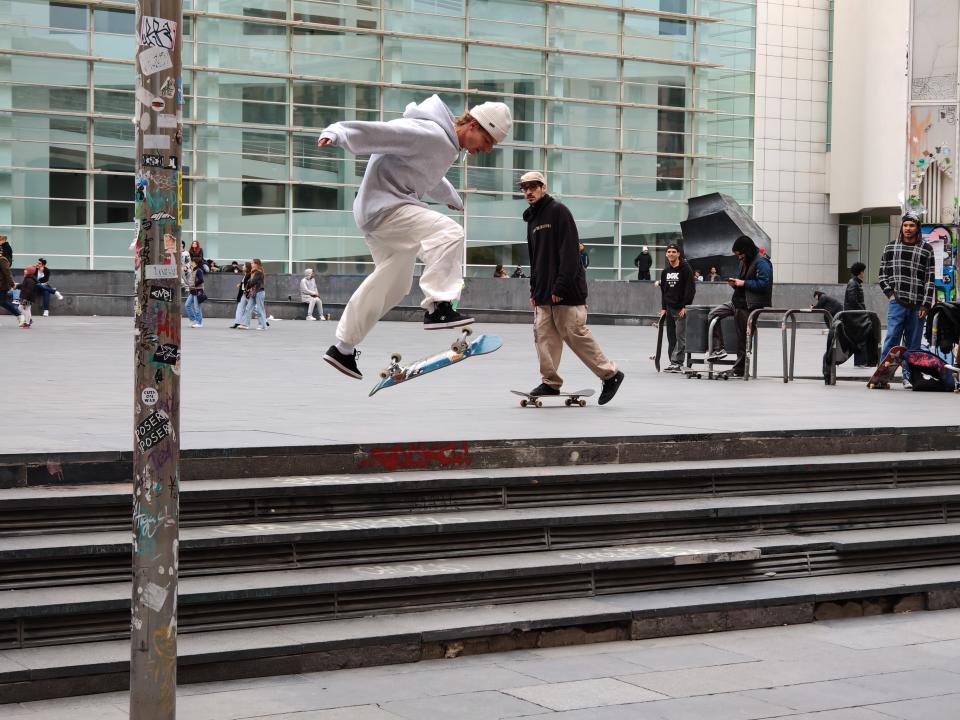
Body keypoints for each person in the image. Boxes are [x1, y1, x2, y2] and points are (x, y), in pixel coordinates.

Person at [317, 96, 513, 379]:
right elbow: (385, 133)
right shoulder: (430, 133)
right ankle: (439, 307)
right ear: (472, 125)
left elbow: (428, 174)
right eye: (488, 140)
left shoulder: (445, 145)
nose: (486, 149)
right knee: (449, 232)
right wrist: (338, 132)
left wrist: (451, 197)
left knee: (393, 284)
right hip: (386, 208)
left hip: (378, 215)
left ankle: (343, 349)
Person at [520, 171, 624, 405]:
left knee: (575, 334)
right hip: (544, 294)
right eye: (525, 188)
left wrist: (560, 286)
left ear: (543, 187)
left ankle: (611, 375)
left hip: (565, 292)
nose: (528, 191)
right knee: (543, 337)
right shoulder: (532, 219)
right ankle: (550, 382)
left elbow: (569, 252)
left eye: (533, 187)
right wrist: (534, 291)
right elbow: (535, 259)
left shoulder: (558, 211)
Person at [878, 212, 935, 386]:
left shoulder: (926, 249)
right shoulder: (890, 247)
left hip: (918, 306)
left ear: (917, 228)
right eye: (905, 225)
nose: (908, 229)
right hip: (898, 303)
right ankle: (882, 376)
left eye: (911, 225)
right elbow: (882, 275)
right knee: (892, 340)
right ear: (901, 227)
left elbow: (929, 279)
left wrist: (925, 304)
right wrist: (891, 295)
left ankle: (908, 376)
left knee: (913, 345)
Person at [706, 235, 773, 376]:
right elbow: (743, 283)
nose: (739, 258)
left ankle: (740, 369)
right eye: (737, 255)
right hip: (737, 301)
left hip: (750, 305)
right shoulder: (744, 261)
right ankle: (719, 349)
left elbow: (765, 285)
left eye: (740, 254)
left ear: (747, 251)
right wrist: (736, 284)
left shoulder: (762, 262)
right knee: (713, 314)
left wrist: (743, 283)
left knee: (743, 338)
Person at [658, 243, 696, 373]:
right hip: (669, 308)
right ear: (666, 254)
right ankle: (672, 362)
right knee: (671, 337)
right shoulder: (665, 272)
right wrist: (663, 308)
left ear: (678, 254)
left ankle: (677, 362)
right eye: (669, 252)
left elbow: (690, 289)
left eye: (674, 252)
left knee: (680, 337)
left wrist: (686, 306)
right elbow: (664, 291)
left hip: (681, 309)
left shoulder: (685, 269)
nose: (671, 254)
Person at [845, 261, 868, 366]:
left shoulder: (855, 283)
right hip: (854, 316)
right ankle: (860, 362)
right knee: (860, 338)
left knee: (860, 338)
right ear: (860, 272)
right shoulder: (853, 283)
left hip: (856, 315)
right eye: (863, 271)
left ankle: (861, 361)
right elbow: (853, 300)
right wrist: (862, 312)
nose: (864, 274)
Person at [241, 258, 268, 330]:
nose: (251, 264)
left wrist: (249, 282)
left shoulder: (258, 272)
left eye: (252, 263)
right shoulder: (253, 272)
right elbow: (250, 282)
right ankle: (245, 324)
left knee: (260, 309)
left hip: (259, 292)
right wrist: (249, 282)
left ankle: (263, 325)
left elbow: (252, 282)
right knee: (248, 308)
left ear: (256, 264)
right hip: (253, 293)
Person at [0, 248, 21, 323]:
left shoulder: (2, 260)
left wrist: (12, 284)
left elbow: (7, 273)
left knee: (2, 302)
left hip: (2, 285)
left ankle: (19, 315)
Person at [184, 256, 205, 328]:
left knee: (197, 307)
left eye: (192, 262)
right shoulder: (193, 270)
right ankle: (193, 319)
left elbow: (201, 280)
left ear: (195, 263)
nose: (191, 263)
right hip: (193, 291)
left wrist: (193, 284)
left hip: (198, 291)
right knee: (187, 305)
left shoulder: (199, 270)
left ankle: (199, 322)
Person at [17, 264, 38, 329]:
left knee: (20, 308)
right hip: (28, 297)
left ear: (29, 272)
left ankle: (28, 322)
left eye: (26, 270)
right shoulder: (29, 278)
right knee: (27, 309)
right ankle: (28, 321)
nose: (24, 271)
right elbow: (24, 286)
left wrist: (25, 299)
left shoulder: (29, 280)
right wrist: (17, 286)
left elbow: (29, 290)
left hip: (27, 297)